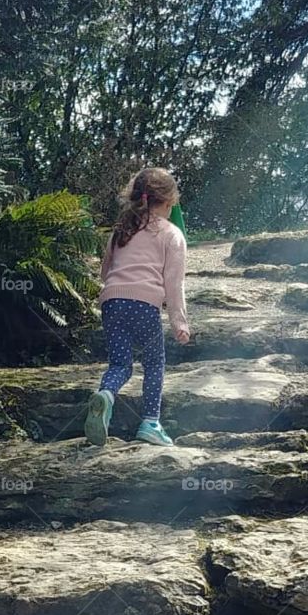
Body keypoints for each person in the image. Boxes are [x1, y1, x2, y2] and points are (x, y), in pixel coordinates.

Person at [85, 167, 190, 447]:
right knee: (154, 363)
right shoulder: (172, 233)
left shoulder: (122, 230)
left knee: (120, 364)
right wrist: (179, 322)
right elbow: (174, 283)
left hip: (112, 303)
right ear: (168, 202)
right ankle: (151, 423)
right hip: (144, 306)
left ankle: (106, 395)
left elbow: (106, 271)